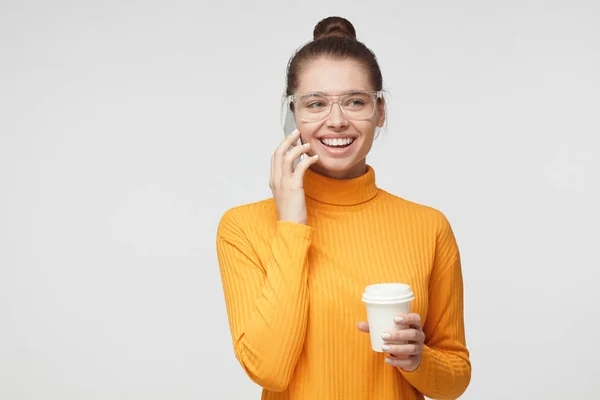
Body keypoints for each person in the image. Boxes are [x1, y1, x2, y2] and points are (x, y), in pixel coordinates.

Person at [216, 16, 471, 400]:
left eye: (355, 101)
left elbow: (455, 380)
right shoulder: (244, 227)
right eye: (316, 103)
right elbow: (268, 369)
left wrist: (418, 360)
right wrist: (291, 225)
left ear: (380, 110)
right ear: (293, 115)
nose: (336, 121)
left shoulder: (429, 226)